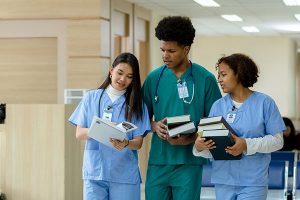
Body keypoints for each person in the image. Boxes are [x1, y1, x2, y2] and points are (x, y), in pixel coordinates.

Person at [141, 16, 221, 200]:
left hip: (189, 164)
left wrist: (190, 138)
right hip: (158, 162)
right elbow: (139, 116)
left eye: (171, 51)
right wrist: (154, 125)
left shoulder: (205, 79)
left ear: (186, 49)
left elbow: (216, 124)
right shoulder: (154, 79)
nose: (165, 55)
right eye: (162, 50)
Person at [193, 53, 285, 200]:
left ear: (239, 74)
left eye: (223, 74)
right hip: (223, 180)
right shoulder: (217, 106)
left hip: (253, 182)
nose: (219, 80)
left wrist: (246, 145)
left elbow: (277, 141)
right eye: (219, 75)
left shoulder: (265, 103)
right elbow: (211, 146)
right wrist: (199, 147)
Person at [69, 52, 151, 200]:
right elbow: (79, 133)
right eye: (120, 73)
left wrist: (126, 143)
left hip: (124, 174)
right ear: (111, 71)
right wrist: (101, 128)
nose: (122, 79)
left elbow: (138, 143)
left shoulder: (137, 104)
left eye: (129, 76)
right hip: (95, 172)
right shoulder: (91, 98)